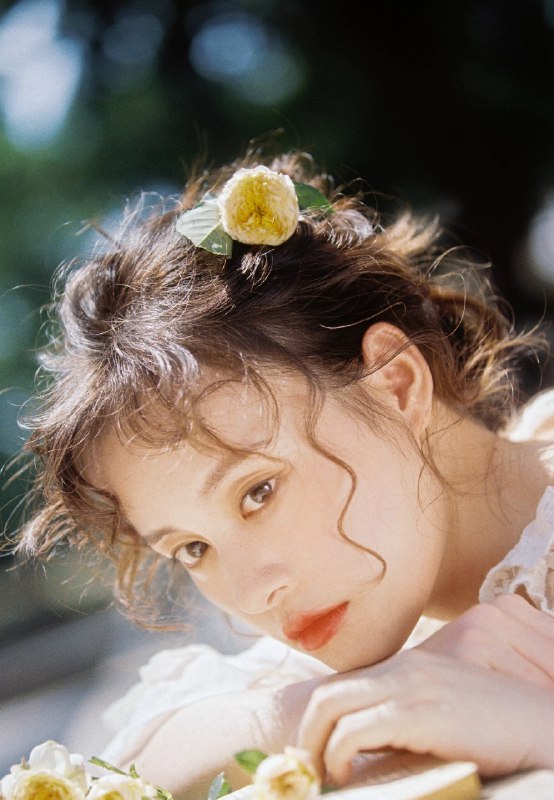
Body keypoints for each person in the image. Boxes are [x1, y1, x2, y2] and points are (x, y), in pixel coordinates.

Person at [14, 146, 554, 799]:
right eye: (193, 548)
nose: (253, 595)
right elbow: (127, 764)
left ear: (397, 384)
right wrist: (331, 703)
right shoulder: (376, 611)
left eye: (258, 492)